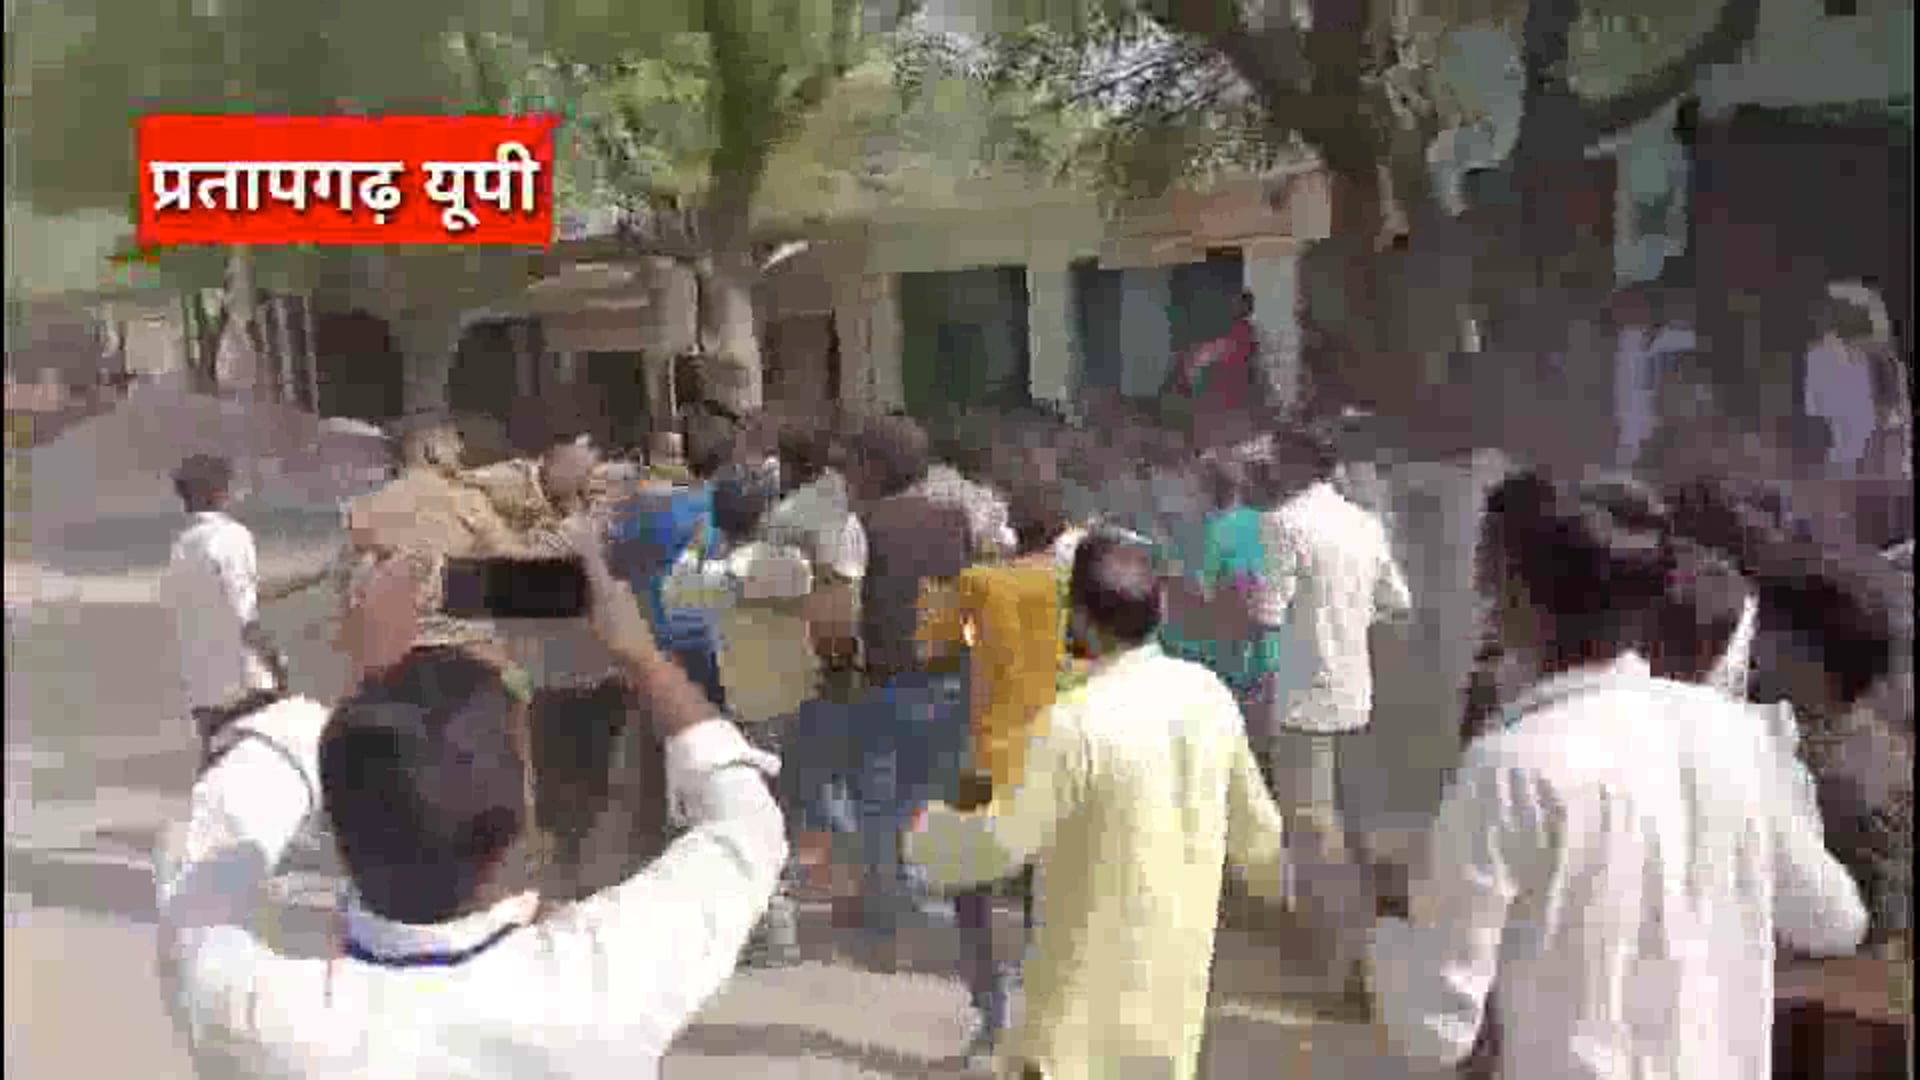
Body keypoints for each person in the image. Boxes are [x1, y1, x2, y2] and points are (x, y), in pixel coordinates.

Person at [154, 516, 785, 1079]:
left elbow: (216, 837)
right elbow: (746, 822)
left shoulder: (254, 1016)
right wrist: (640, 653)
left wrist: (360, 691)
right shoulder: (603, 979)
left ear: (336, 835)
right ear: (523, 832)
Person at [1369, 468, 1868, 1079]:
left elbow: (1435, 1029)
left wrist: (1385, 930)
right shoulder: (1735, 735)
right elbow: (1833, 920)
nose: (1481, 593)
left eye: (1488, 573)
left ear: (1515, 596)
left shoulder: (1510, 767)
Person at [905, 531, 1292, 1080]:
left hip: (1077, 1026)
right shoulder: (1208, 697)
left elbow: (999, 846)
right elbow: (1259, 839)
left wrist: (926, 835)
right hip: (1174, 1007)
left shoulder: (1074, 723)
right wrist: (1297, 891)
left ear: (1080, 620)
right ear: (1160, 610)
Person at [1245, 423, 1412, 1000]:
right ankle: (1369, 955)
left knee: (1315, 830)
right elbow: (1397, 601)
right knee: (1357, 827)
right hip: (1356, 693)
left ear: (1294, 463)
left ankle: (1340, 963)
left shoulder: (1283, 523)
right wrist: (1346, 626)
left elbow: (1268, 612)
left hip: (1303, 699)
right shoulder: (1364, 522)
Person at [606, 411, 736, 705]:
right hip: (716, 648)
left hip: (656, 647)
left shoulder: (638, 509)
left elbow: (615, 566)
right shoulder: (733, 505)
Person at [163, 455, 288, 761]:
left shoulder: (181, 548)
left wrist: (314, 577)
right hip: (245, 686)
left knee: (217, 772)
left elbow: (222, 599)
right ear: (220, 491)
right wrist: (276, 662)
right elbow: (245, 615)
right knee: (259, 769)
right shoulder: (232, 536)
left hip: (202, 690)